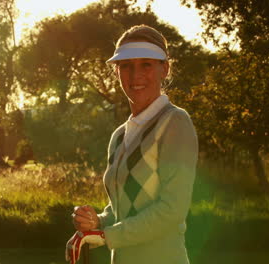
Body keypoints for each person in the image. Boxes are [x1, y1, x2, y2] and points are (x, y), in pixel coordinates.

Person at [68, 25, 198, 264]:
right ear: (116, 72)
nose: (135, 75)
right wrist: (96, 222)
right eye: (126, 66)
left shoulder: (175, 122)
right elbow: (122, 211)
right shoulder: (119, 135)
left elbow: (172, 209)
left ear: (164, 69)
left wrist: (106, 236)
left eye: (146, 64)